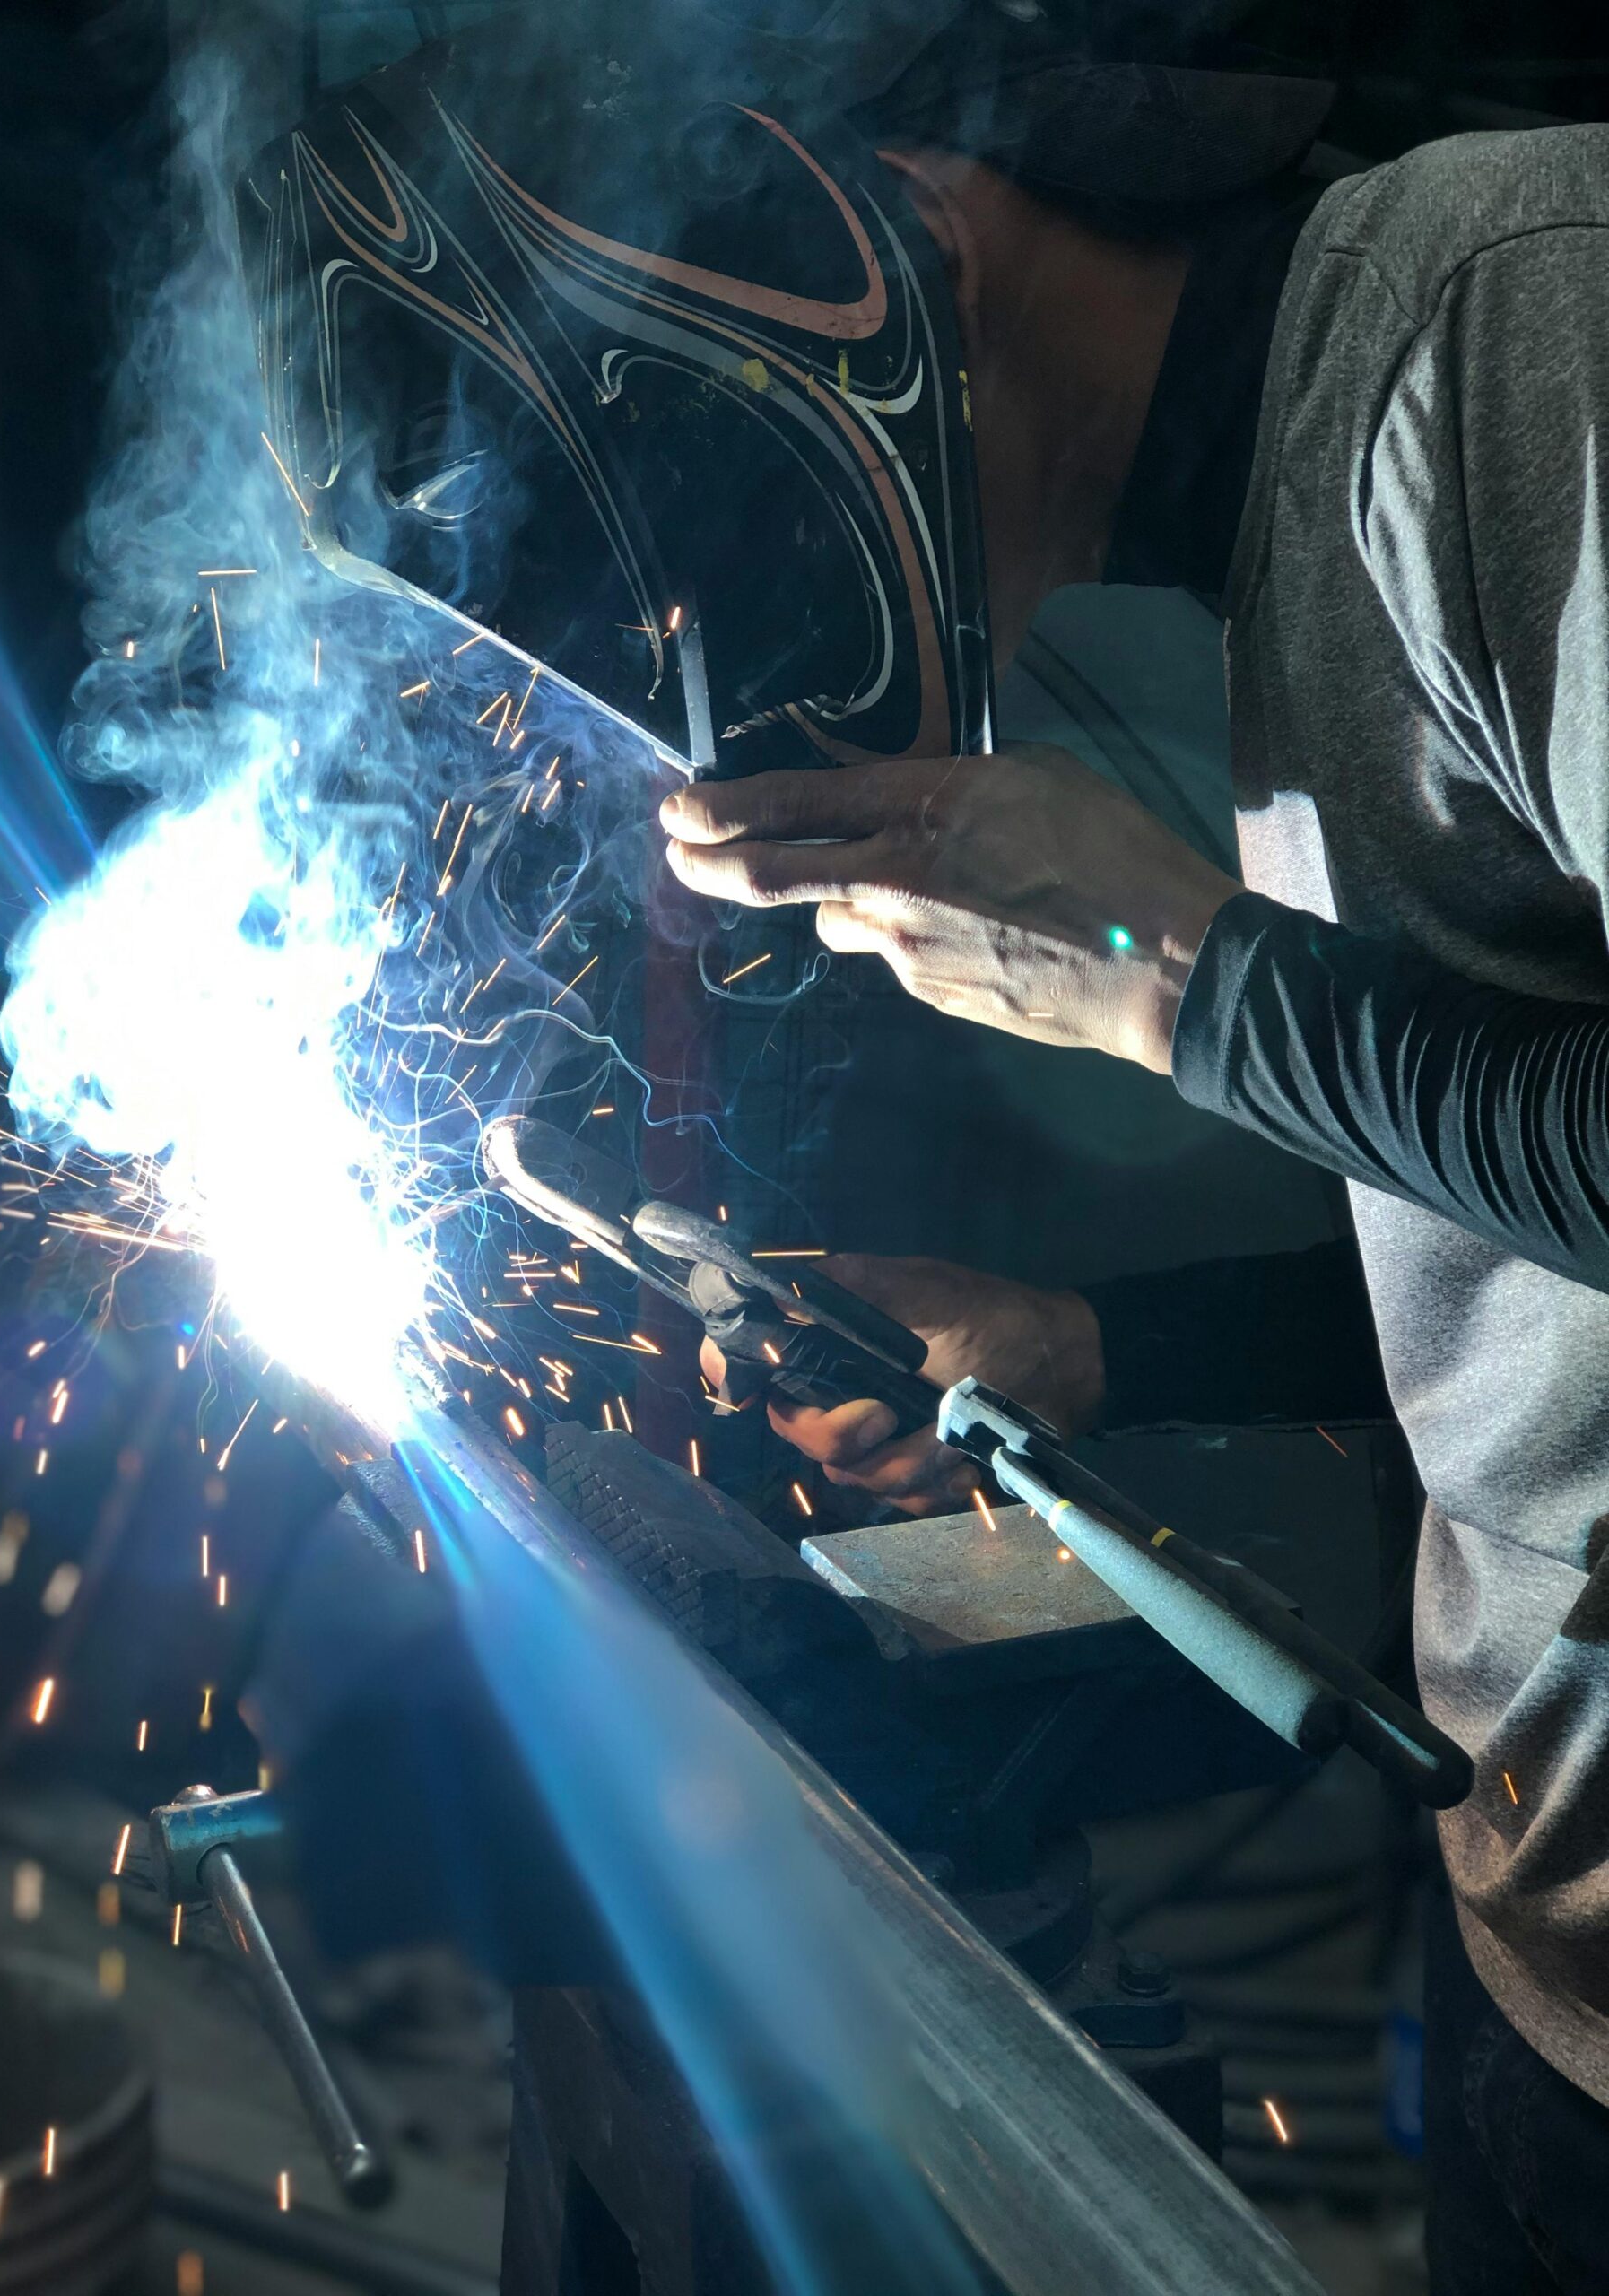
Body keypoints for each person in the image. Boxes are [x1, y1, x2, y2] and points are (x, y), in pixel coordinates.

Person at [663, 109, 1609, 2294]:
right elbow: (1526, 1252)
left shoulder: (1509, 324)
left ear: (914, 233)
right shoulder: (1289, 522)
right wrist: (1101, 1349)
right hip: (1544, 1930)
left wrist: (1189, 990)